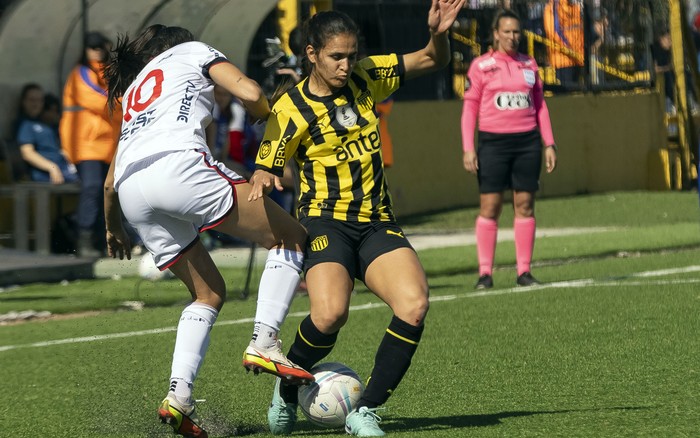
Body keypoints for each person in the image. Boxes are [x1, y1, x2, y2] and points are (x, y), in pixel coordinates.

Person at [248, 1, 465, 436]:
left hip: (377, 221)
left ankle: (364, 410)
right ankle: (288, 389)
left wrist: (438, 35)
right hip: (325, 223)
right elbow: (266, 163)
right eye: (336, 57)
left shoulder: (368, 75)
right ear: (311, 54)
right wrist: (263, 175)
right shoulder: (290, 108)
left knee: (414, 304)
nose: (347, 65)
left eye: (351, 54)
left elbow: (431, 59)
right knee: (330, 315)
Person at [101, 24, 315, 438]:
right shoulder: (192, 51)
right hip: (178, 167)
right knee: (290, 236)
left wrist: (114, 230)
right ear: (180, 43)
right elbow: (251, 93)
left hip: (132, 192)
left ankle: (178, 397)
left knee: (208, 293)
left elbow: (109, 184)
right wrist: (264, 117)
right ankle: (265, 342)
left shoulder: (136, 90)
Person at [461, 9, 557, 290]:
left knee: (525, 205)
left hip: (527, 143)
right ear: (495, 34)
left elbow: (540, 105)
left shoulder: (529, 65)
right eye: (507, 32)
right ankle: (485, 273)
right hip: (493, 144)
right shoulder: (481, 66)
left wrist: (549, 143)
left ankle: (524, 271)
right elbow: (469, 109)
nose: (513, 37)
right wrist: (469, 147)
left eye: (517, 32)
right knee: (490, 206)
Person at [60, 31, 122, 257]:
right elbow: (102, 101)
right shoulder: (82, 73)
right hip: (86, 145)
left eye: (99, 47)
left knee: (108, 192)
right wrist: (126, 101)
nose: (96, 51)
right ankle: (83, 237)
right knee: (92, 188)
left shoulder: (108, 73)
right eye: (92, 47)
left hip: (107, 146)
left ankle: (100, 239)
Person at [14, 83, 78, 184]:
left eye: (39, 100)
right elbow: (27, 153)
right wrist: (51, 168)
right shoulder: (25, 125)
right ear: (23, 102)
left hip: (65, 169)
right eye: (32, 100)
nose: (36, 104)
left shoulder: (45, 124)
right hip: (46, 174)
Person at [543, 0, 584, 87]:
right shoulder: (552, 8)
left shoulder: (576, 7)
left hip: (579, 59)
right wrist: (570, 50)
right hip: (563, 60)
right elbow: (554, 33)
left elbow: (581, 31)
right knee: (567, 94)